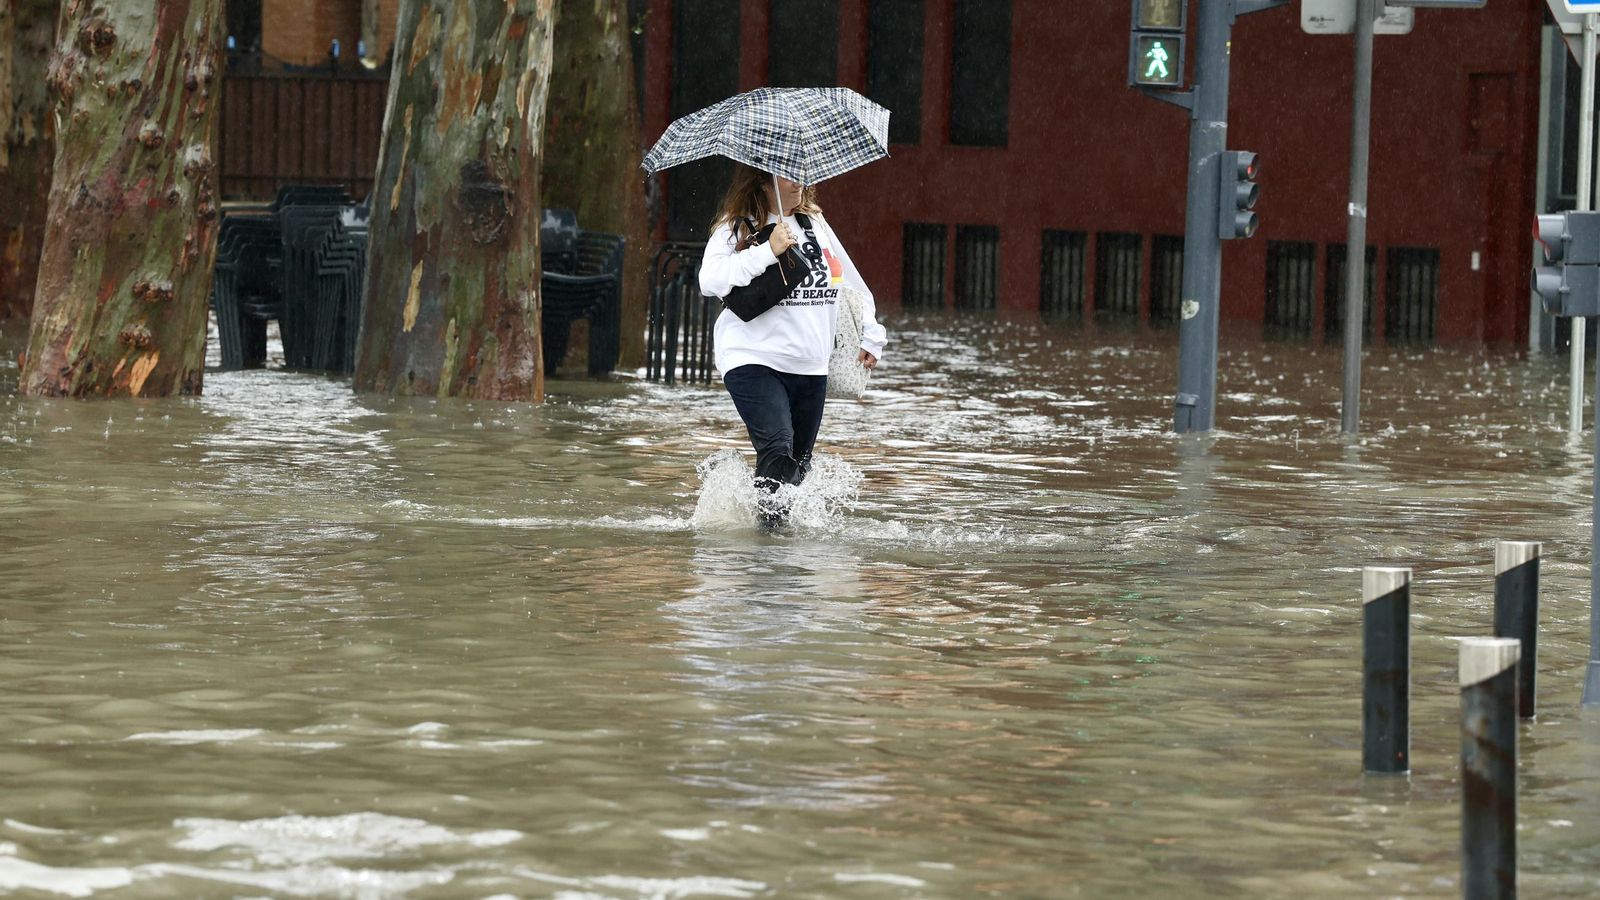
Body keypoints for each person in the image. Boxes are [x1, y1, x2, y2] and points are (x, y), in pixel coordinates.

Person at [698, 163, 888, 530]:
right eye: (787, 173)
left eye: (801, 171)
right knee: (778, 449)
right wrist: (766, 251)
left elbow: (848, 284)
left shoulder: (813, 224)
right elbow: (710, 281)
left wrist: (871, 333)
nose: (799, 180)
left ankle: (772, 540)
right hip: (752, 357)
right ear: (763, 180)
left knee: (799, 466)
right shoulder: (736, 225)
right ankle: (769, 554)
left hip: (810, 364)